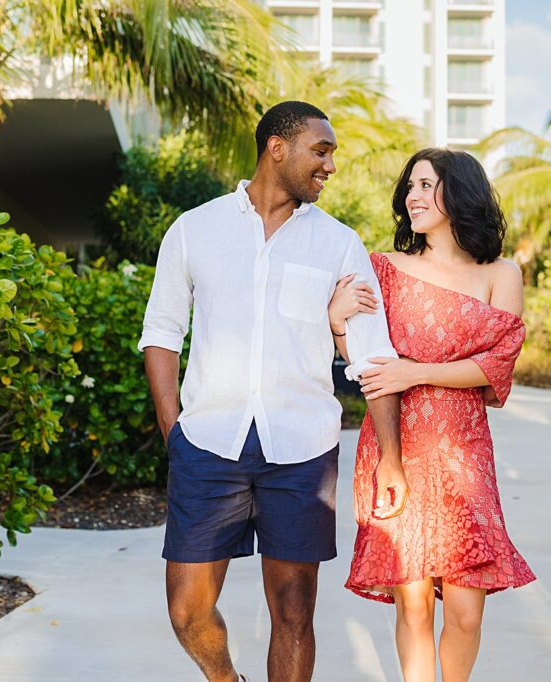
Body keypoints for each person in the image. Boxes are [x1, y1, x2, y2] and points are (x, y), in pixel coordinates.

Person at [138, 101, 409, 682]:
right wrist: (174, 430)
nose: (330, 166)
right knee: (187, 610)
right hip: (208, 443)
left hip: (302, 452)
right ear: (276, 148)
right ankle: (225, 679)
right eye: (322, 150)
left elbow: (371, 352)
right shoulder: (194, 229)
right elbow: (161, 332)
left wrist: (391, 456)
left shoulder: (338, 243)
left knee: (293, 612)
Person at [329, 148, 536, 682]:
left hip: (464, 454)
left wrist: (415, 371)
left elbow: (496, 364)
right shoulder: (384, 270)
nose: (412, 197)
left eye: (426, 185)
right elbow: (367, 358)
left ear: (460, 193)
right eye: (410, 187)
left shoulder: (501, 273)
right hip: (396, 445)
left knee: (466, 611)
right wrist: (335, 325)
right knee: (415, 602)